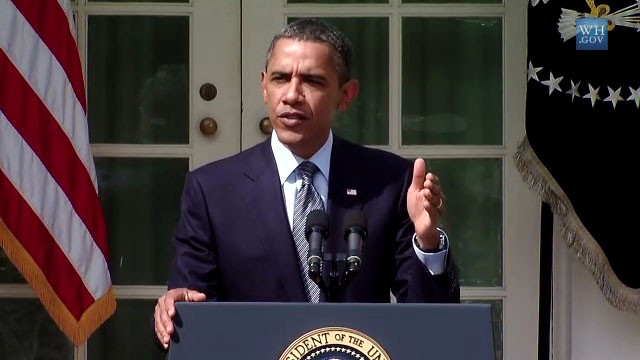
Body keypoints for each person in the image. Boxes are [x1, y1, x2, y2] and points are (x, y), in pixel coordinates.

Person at [154, 18, 459, 349]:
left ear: (345, 95)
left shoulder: (389, 183)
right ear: (263, 85)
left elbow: (432, 326)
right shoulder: (212, 190)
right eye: (280, 78)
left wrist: (427, 242)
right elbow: (189, 316)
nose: (292, 95)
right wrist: (176, 310)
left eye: (312, 81)